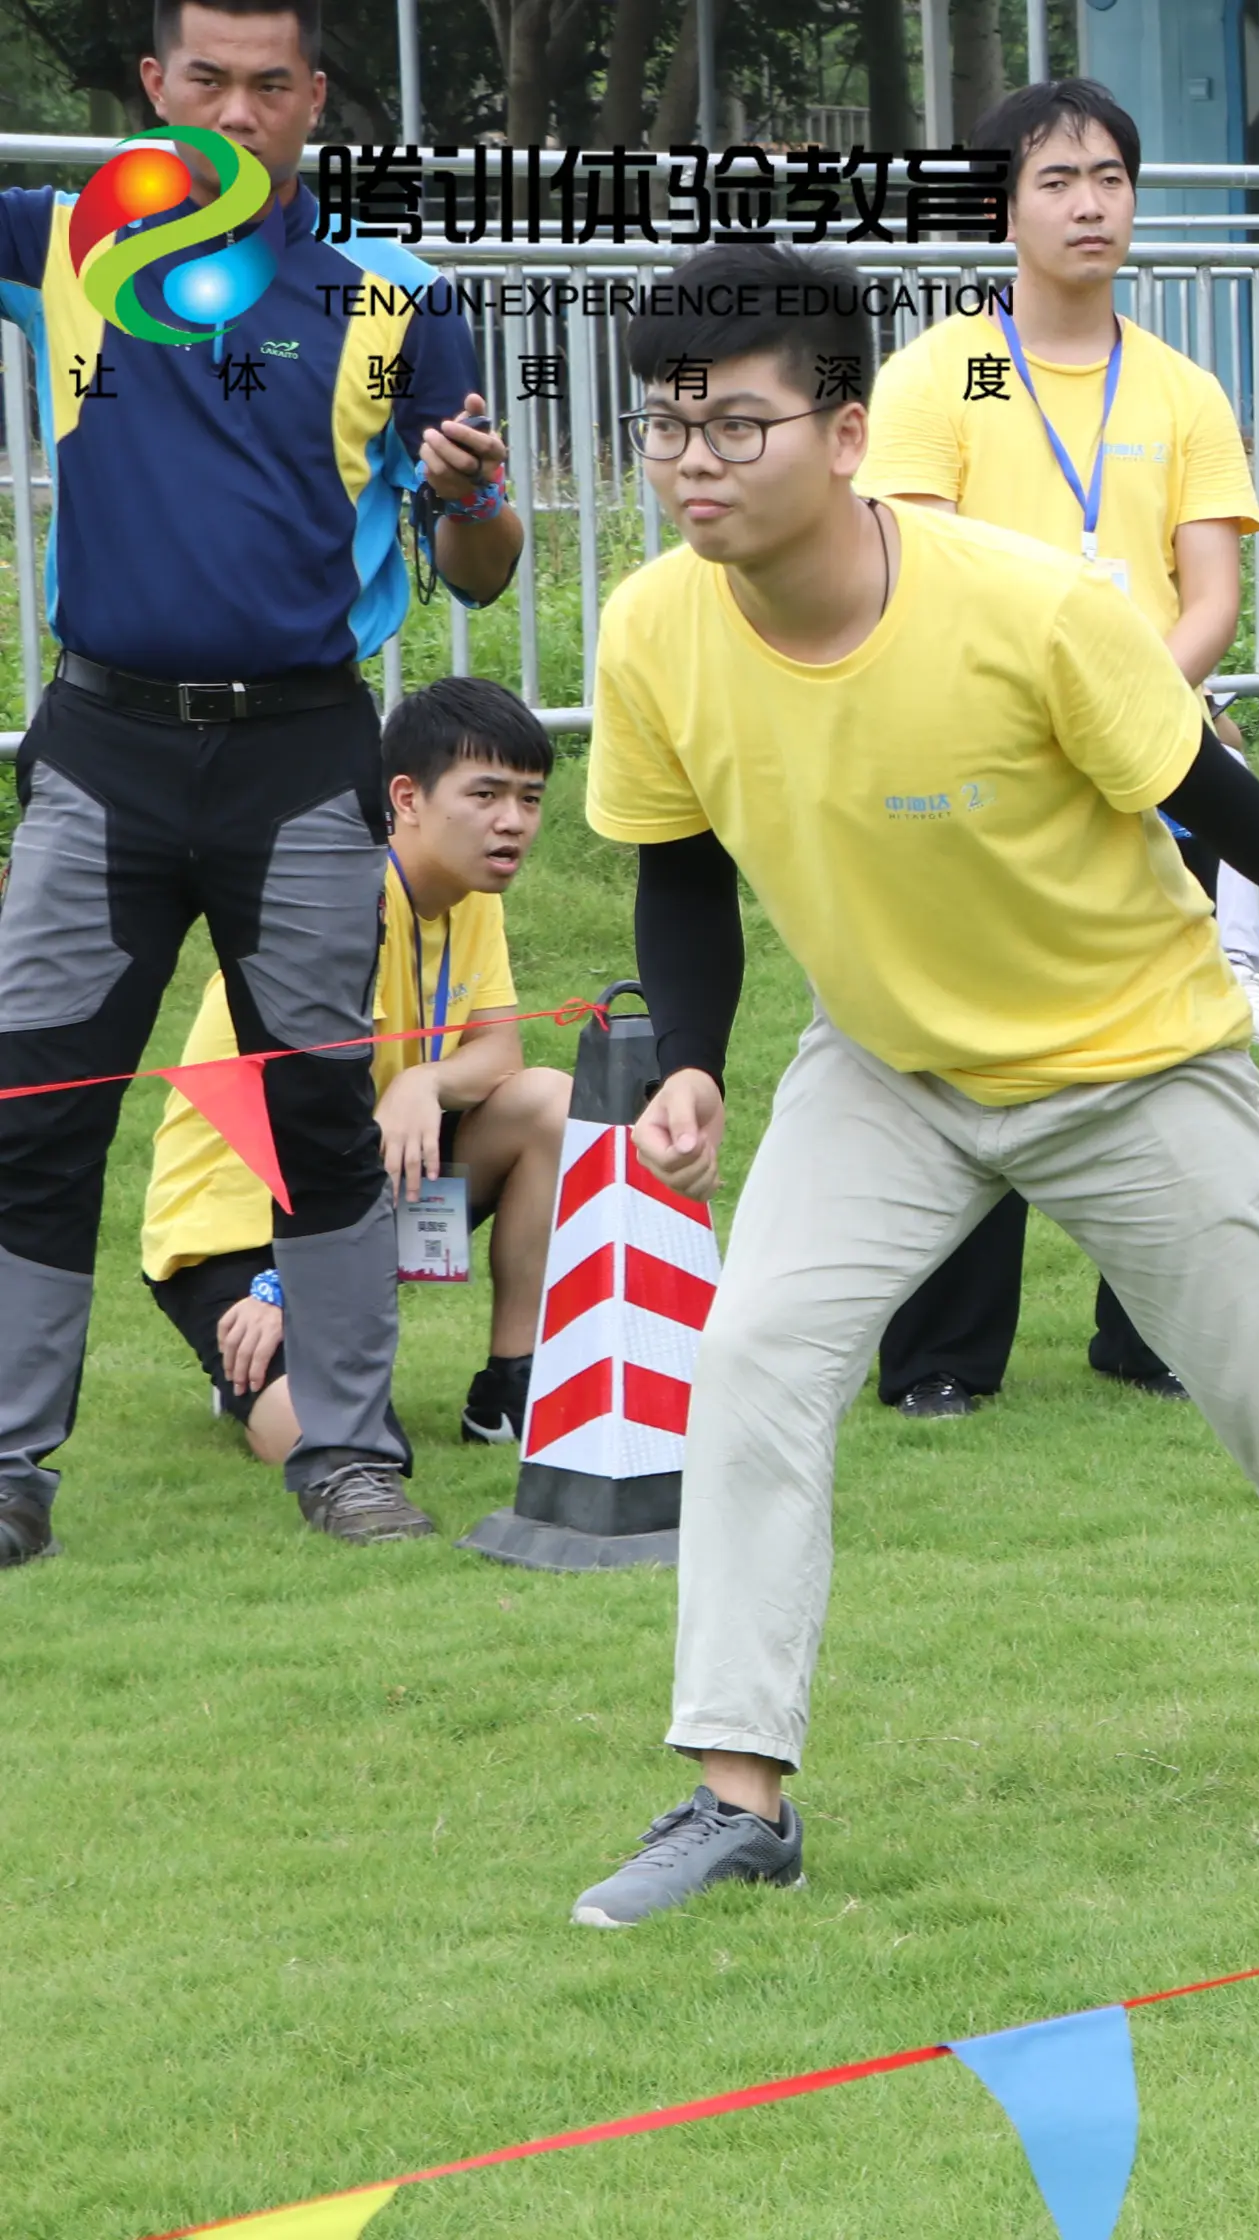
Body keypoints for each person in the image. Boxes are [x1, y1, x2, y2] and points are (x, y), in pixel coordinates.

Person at [566, 245, 1259, 1929]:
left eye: (737, 425)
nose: (696, 466)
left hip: (1129, 1060)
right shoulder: (654, 627)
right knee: (751, 1359)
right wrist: (692, 1063)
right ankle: (739, 1799)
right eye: (667, 431)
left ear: (847, 431)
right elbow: (675, 867)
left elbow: (1205, 794)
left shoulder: (1030, 607)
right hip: (887, 1065)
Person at [0, 0, 523, 1563]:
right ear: (153, 87)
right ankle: (12, 1466)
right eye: (205, 80)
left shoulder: (398, 294)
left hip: (303, 753)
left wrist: (474, 489)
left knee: (320, 1113)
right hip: (99, 746)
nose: (237, 111)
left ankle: (353, 1458)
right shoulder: (67, 242)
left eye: (270, 85)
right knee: (32, 1106)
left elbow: (482, 572)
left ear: (316, 99)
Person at [857, 76, 1259, 1417]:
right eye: (1057, 180)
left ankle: (1150, 1332)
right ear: (1001, 206)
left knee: (1154, 1041)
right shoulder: (938, 375)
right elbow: (912, 569)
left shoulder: (1180, 388)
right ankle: (941, 1356)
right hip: (983, 759)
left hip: (1151, 757)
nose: (1090, 203)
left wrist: (1132, 715)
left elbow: (1208, 591)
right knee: (972, 1039)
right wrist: (1049, 723)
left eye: (1109, 177)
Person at [136, 680, 574, 1500]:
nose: (512, 821)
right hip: (240, 1222)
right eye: (484, 795)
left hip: (364, 1174)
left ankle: (513, 1386)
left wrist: (425, 1080)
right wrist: (278, 1287)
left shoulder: (472, 896)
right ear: (404, 797)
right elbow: (308, 1121)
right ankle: (255, 1358)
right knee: (344, 1444)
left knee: (550, 1100)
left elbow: (503, 1053)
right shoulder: (335, 901)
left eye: (529, 798)